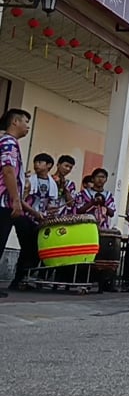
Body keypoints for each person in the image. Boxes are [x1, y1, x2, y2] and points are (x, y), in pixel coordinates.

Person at [13, 153, 61, 289]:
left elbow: (51, 203)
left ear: (49, 165)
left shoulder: (53, 184)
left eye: (40, 162)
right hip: (25, 217)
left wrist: (50, 212)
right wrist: (34, 213)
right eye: (35, 162)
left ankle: (23, 278)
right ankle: (18, 279)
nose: (36, 165)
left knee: (35, 250)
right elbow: (21, 200)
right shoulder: (28, 181)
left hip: (39, 221)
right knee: (27, 248)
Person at [0, 108, 31, 299]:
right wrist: (16, 200)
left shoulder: (9, 142)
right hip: (3, 202)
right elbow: (8, 171)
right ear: (15, 122)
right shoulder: (9, 142)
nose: (28, 126)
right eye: (26, 121)